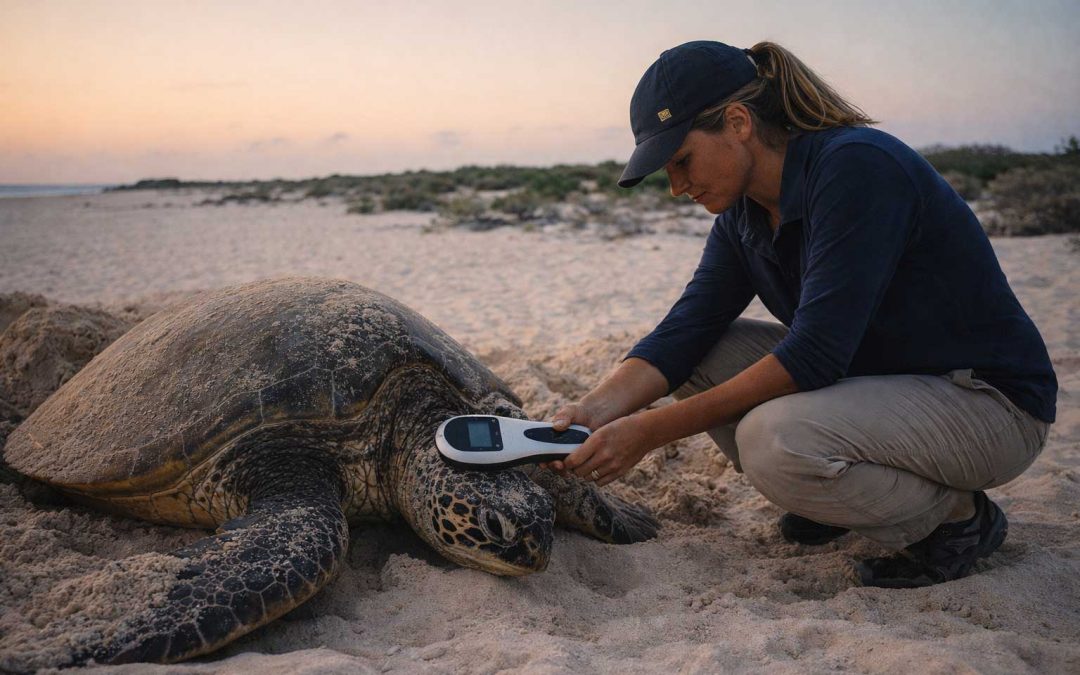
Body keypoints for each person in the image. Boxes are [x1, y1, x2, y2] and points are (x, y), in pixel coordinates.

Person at [543, 40, 1057, 588]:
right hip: (883, 384)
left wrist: (647, 430)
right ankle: (831, 495)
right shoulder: (744, 215)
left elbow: (815, 353)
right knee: (703, 350)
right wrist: (595, 410)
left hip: (988, 405)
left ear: (738, 122)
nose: (677, 187)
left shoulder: (856, 166)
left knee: (773, 442)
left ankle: (956, 520)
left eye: (681, 160)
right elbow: (685, 329)